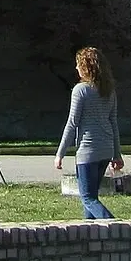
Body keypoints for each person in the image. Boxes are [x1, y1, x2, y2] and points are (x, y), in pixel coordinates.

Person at [52, 45, 124, 220]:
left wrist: (60, 153)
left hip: (88, 151)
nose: (76, 68)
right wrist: (117, 154)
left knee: (87, 197)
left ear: (85, 67)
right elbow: (113, 123)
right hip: (106, 150)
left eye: (78, 64)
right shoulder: (109, 91)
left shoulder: (80, 90)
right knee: (92, 196)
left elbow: (72, 123)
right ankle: (89, 233)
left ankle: (116, 225)